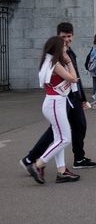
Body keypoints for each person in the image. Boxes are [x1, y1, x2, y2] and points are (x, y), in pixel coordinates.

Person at [20, 22, 96, 172]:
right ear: (58, 36)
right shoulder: (59, 54)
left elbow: (76, 75)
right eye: (64, 37)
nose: (67, 40)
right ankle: (31, 159)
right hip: (63, 97)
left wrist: (81, 98)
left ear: (73, 35)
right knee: (57, 132)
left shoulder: (68, 51)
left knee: (79, 126)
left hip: (72, 96)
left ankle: (79, 158)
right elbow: (72, 77)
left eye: (69, 36)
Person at [26, 36, 81, 184]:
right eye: (63, 46)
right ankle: (38, 164)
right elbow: (74, 78)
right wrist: (69, 61)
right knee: (65, 139)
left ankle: (61, 171)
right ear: (57, 48)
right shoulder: (55, 64)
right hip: (55, 103)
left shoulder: (49, 61)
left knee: (58, 138)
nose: (66, 48)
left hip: (55, 102)